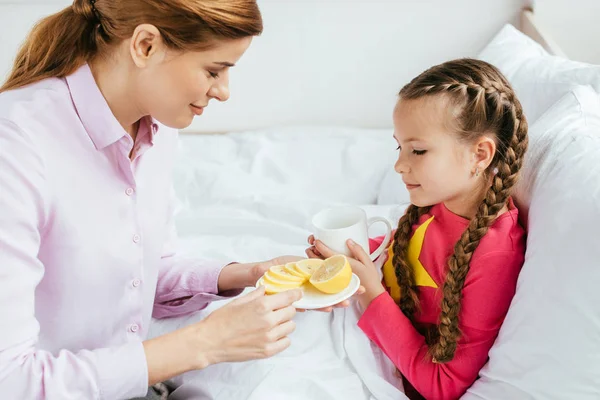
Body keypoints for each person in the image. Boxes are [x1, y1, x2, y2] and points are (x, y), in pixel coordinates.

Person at [0, 1, 347, 398]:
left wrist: (252, 273)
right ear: (145, 45)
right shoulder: (15, 144)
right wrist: (205, 343)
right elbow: (10, 380)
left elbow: (138, 274)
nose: (224, 92)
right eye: (213, 71)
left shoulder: (156, 126)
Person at [308, 58, 528, 400]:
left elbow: (443, 384)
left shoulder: (493, 253)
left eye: (418, 150)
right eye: (400, 147)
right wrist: (346, 255)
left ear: (480, 154)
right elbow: (406, 254)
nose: (399, 165)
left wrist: (369, 290)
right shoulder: (441, 202)